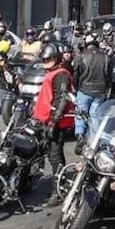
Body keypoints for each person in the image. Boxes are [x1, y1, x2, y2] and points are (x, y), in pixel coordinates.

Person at [33, 43, 74, 206]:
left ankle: (58, 191)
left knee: (55, 155)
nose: (45, 61)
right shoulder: (52, 73)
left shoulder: (61, 74)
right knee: (52, 154)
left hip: (56, 122)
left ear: (56, 59)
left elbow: (62, 98)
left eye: (48, 59)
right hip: (49, 120)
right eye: (43, 59)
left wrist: (53, 122)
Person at [72, 34, 111, 155]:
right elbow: (108, 75)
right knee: (94, 116)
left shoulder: (81, 56)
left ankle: (80, 136)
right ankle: (92, 139)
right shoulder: (105, 57)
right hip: (100, 91)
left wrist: (77, 87)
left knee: (80, 114)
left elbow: (76, 75)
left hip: (84, 89)